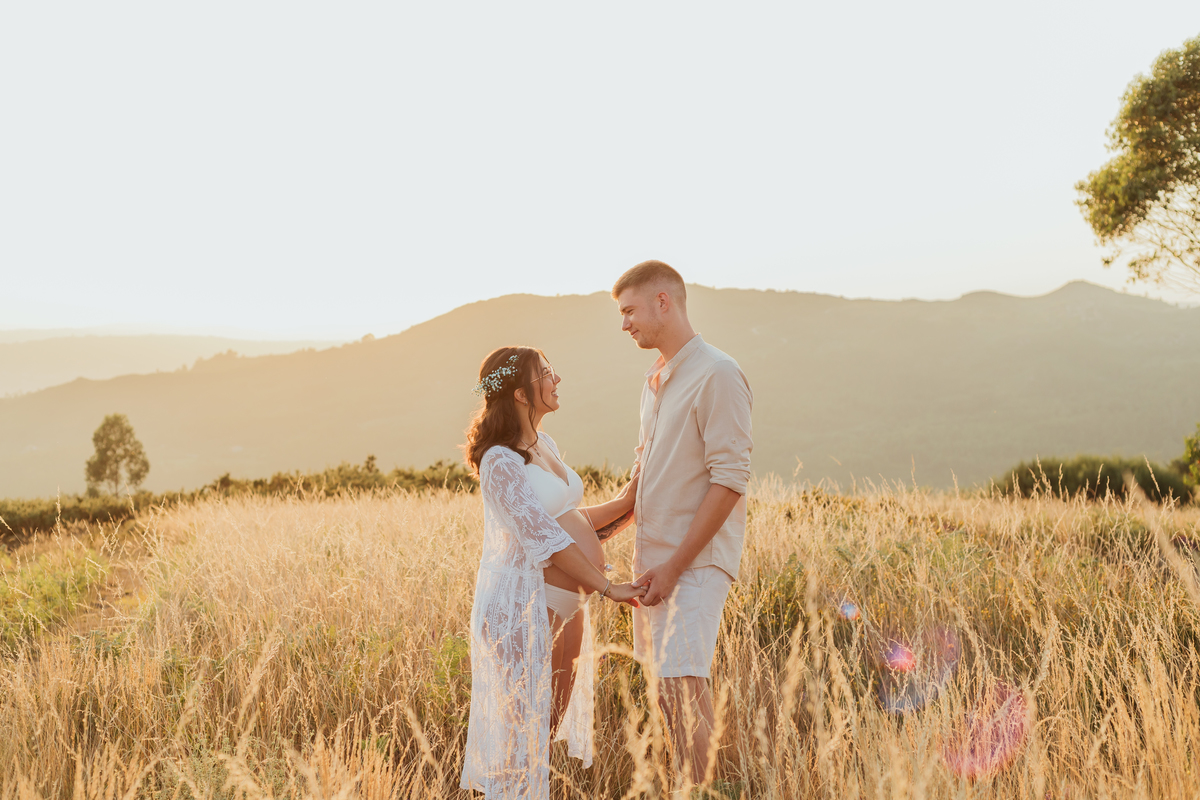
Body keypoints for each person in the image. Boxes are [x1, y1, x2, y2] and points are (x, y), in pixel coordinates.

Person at [460, 345, 644, 799]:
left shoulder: (546, 445)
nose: (556, 379)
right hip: (522, 608)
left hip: (566, 605)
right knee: (520, 737)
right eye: (546, 373)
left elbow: (572, 518)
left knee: (542, 736)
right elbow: (545, 537)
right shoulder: (499, 463)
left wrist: (626, 501)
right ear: (521, 394)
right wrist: (608, 587)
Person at [608, 260, 754, 787]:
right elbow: (642, 482)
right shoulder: (654, 383)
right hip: (655, 565)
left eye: (629, 311)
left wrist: (673, 566)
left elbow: (730, 481)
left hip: (689, 564)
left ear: (663, 302)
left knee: (686, 688)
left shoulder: (718, 373)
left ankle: (703, 792)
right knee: (668, 694)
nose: (625, 324)